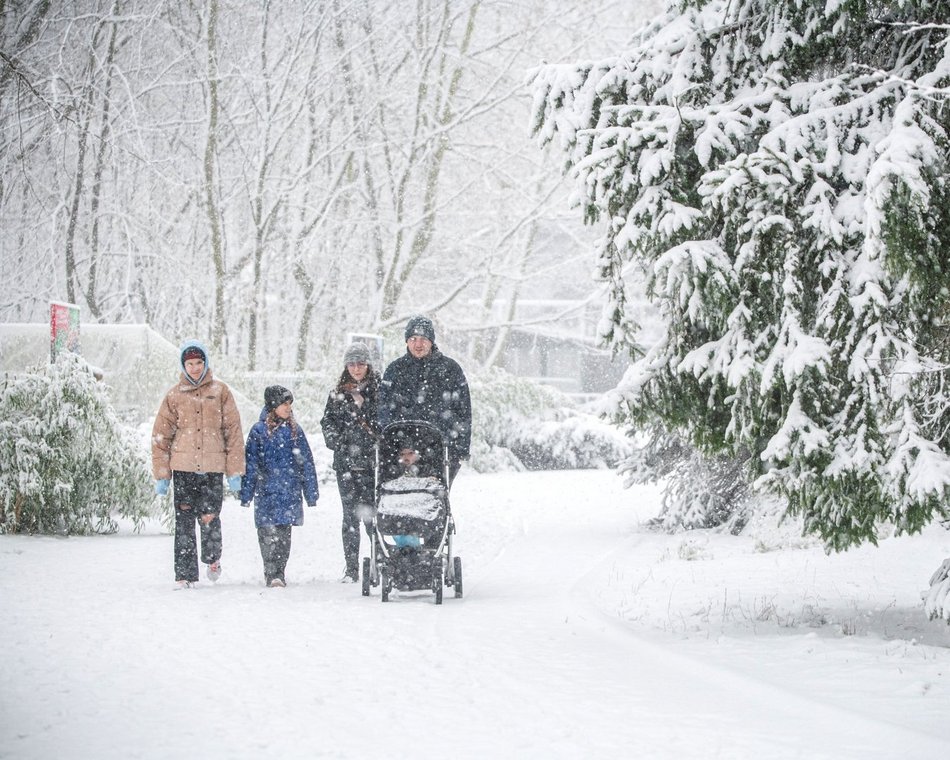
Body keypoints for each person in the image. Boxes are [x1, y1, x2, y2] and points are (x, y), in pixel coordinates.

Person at [151, 339, 244, 588]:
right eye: (190, 363)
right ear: (183, 365)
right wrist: (162, 474)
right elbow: (161, 435)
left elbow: (233, 431)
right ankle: (185, 574)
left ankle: (213, 559)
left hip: (212, 469)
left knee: (209, 517)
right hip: (183, 468)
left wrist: (235, 471)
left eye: (198, 363)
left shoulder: (220, 392)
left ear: (206, 364)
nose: (194, 368)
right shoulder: (174, 396)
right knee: (183, 521)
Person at [239, 385, 319, 588]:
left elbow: (306, 463)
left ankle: (279, 573)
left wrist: (311, 492)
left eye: (290, 404)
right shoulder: (258, 431)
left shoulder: (295, 430)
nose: (288, 408)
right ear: (273, 405)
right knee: (266, 534)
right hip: (266, 492)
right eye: (284, 403)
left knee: (284, 535)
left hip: (289, 492)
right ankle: (270, 571)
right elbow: (250, 463)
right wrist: (246, 492)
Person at [379, 315, 471, 487]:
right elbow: (384, 409)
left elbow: (463, 411)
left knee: (435, 500)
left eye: (423, 339)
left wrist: (460, 448)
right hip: (401, 451)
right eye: (413, 339)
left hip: (440, 450)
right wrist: (395, 445)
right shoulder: (394, 370)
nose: (418, 344)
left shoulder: (450, 369)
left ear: (431, 341)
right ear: (407, 341)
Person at [320, 342, 380, 582]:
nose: (356, 368)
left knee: (372, 516)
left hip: (370, 464)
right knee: (349, 517)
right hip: (345, 464)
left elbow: (385, 421)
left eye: (361, 363)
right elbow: (327, 422)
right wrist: (337, 441)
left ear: (368, 365)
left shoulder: (378, 391)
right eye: (352, 363)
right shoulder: (338, 393)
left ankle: (379, 560)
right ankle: (352, 568)